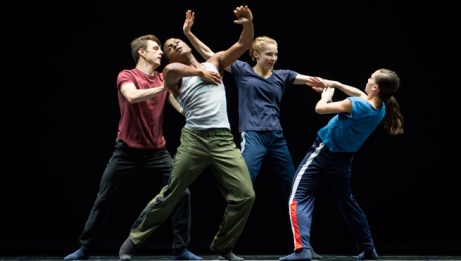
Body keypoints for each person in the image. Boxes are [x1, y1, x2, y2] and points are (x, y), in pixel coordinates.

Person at [118, 5, 255, 261]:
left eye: (178, 41)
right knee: (173, 192)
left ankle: (222, 246)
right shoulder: (173, 75)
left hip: (223, 140)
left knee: (245, 195)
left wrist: (247, 23)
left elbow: (243, 44)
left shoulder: (214, 62)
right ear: (168, 57)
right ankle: (133, 240)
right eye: (169, 47)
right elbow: (171, 72)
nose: (175, 45)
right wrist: (200, 71)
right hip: (194, 139)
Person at [182, 10, 323, 259]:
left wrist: (333, 85)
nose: (274, 58)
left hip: (277, 138)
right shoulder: (241, 70)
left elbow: (314, 80)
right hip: (253, 136)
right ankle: (225, 245)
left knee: (294, 190)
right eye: (269, 54)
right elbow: (209, 54)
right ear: (256, 54)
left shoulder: (283, 76)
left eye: (276, 54)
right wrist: (189, 34)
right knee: (242, 190)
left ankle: (304, 246)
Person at [64, 34, 202, 261]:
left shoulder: (162, 78)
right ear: (142, 52)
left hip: (157, 152)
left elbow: (181, 109)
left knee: (182, 194)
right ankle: (84, 248)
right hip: (126, 151)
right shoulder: (127, 75)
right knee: (104, 198)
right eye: (156, 48)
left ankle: (180, 250)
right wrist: (163, 87)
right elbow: (131, 96)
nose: (161, 53)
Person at [279, 69, 404, 261]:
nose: (367, 80)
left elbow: (320, 109)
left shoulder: (356, 105)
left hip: (323, 153)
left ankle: (302, 250)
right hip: (344, 160)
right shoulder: (381, 108)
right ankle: (369, 249)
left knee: (298, 197)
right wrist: (335, 83)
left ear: (376, 87)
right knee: (348, 202)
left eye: (370, 78)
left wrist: (326, 96)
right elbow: (359, 94)